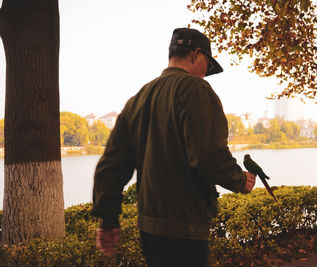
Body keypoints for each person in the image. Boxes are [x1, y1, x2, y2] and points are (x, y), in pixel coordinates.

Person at [92, 27, 256, 266]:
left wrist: (108, 220)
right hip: (185, 227)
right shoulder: (195, 89)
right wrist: (240, 180)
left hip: (149, 227)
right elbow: (207, 155)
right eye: (208, 67)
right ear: (196, 54)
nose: (205, 75)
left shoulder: (137, 99)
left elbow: (110, 167)